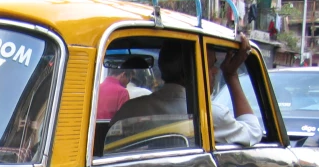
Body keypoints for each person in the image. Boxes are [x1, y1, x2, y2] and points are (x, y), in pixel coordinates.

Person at [110, 35, 261, 147]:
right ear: (191, 71)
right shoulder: (210, 114)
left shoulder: (128, 110)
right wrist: (231, 75)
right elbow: (253, 131)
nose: (215, 71)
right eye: (210, 65)